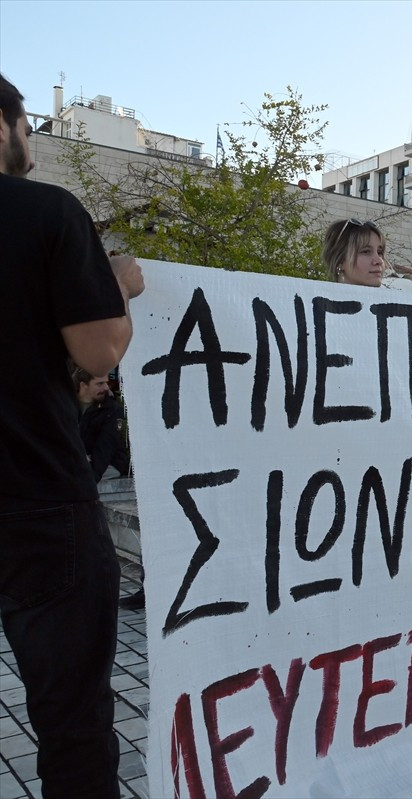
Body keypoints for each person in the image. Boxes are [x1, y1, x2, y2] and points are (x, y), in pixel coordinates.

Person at [0, 74, 144, 798]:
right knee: (72, 720)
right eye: (26, 123)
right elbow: (98, 351)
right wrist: (115, 281)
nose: (31, 139)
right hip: (34, 507)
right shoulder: (46, 213)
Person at [72, 362, 130, 482]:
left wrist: (89, 479)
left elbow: (105, 448)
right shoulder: (67, 405)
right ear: (84, 385)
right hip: (76, 460)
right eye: (100, 384)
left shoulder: (112, 410)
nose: (106, 388)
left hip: (108, 464)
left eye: (106, 382)